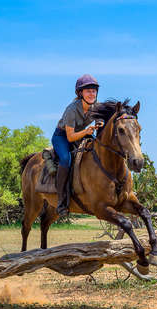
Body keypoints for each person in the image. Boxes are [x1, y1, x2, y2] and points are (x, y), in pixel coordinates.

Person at [52, 74, 103, 217]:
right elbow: (70, 137)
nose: (92, 93)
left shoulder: (96, 106)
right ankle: (61, 201)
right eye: (88, 91)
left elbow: (101, 119)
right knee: (66, 160)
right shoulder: (72, 109)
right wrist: (87, 131)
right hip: (62, 136)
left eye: (94, 91)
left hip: (81, 134)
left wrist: (100, 123)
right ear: (81, 93)